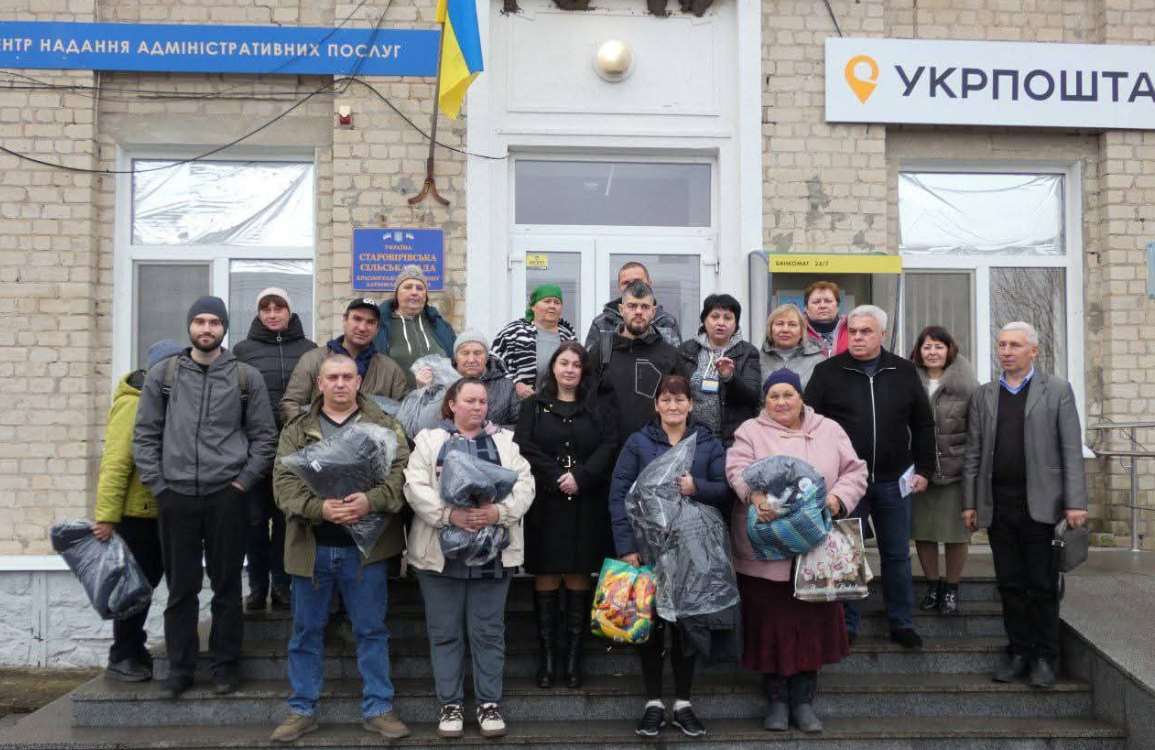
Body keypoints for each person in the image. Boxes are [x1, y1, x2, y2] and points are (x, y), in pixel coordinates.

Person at [133, 296, 278, 699]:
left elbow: (264, 437)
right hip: (176, 495)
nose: (207, 328)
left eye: (214, 322)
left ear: (224, 328)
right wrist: (159, 486)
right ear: (190, 327)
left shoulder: (245, 377)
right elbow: (144, 435)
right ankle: (179, 669)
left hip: (226, 495)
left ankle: (225, 666)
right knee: (181, 589)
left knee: (227, 586)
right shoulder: (164, 375)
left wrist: (241, 483)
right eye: (200, 321)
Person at [269, 355, 411, 743]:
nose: (340, 383)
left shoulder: (384, 425)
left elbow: (402, 473)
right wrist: (320, 508)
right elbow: (283, 483)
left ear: (359, 381)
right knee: (305, 632)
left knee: (371, 630)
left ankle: (379, 708)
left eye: (348, 376)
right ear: (319, 383)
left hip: (366, 552)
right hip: (312, 546)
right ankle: (302, 709)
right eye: (332, 377)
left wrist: (371, 501)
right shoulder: (298, 428)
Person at [726, 368, 867, 733]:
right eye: (774, 396)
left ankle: (803, 700)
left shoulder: (829, 430)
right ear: (765, 401)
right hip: (766, 545)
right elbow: (736, 469)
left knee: (812, 626)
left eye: (788, 394)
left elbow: (856, 471)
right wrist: (756, 496)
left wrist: (836, 499)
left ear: (801, 397)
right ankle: (775, 700)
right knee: (769, 625)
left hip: (815, 548)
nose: (781, 402)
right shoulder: (750, 431)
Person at [403, 379, 535, 739]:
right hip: (440, 557)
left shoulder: (505, 442)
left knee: (488, 633)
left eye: (482, 401)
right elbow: (415, 486)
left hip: (493, 556)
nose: (478, 407)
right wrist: (450, 516)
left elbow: (525, 485)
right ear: (452, 404)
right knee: (445, 633)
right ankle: (451, 704)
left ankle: (489, 703)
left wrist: (498, 513)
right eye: (470, 400)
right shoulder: (429, 441)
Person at [963, 322, 1088, 689]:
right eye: (1002, 344)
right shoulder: (985, 395)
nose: (1006, 351)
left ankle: (1045, 658)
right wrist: (970, 503)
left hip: (1043, 507)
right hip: (999, 505)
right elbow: (973, 453)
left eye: (1015, 345)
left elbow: (1071, 450)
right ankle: (1018, 652)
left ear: (1033, 350)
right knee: (1010, 584)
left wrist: (1075, 502)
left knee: (1042, 585)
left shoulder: (1057, 390)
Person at [804, 305, 934, 649]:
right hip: (847, 483)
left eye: (866, 331)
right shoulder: (828, 372)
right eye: (854, 331)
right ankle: (847, 625)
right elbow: (809, 425)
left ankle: (901, 622)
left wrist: (924, 469)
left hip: (895, 480)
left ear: (882, 335)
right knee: (847, 553)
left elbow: (922, 423)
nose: (858, 337)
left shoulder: (904, 371)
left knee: (897, 555)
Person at [608, 375, 729, 739]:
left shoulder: (707, 443)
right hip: (647, 550)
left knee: (687, 625)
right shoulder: (639, 442)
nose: (673, 406)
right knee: (649, 626)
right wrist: (626, 547)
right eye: (666, 399)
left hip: (693, 551)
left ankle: (683, 703)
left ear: (691, 404)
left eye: (679, 400)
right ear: (656, 405)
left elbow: (726, 490)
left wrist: (697, 487)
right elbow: (619, 495)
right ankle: (653, 703)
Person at [514, 342, 619, 690]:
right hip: (546, 502)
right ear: (553, 368)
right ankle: (547, 660)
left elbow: (609, 445)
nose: (570, 369)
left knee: (578, 572)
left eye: (576, 364)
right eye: (564, 363)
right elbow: (524, 446)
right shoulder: (533, 405)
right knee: (546, 572)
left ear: (583, 371)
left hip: (587, 502)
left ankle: (574, 660)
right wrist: (557, 475)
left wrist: (582, 477)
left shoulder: (598, 407)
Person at [90, 339, 182, 682]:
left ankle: (135, 649)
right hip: (135, 515)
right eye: (168, 368)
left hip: (161, 511)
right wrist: (106, 517)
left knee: (148, 583)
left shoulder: (169, 401)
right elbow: (115, 463)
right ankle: (123, 655)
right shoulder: (133, 404)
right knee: (134, 587)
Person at [233, 287, 317, 612]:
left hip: (295, 450)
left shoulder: (308, 350)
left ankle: (282, 586)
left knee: (287, 521)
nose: (272, 314)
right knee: (253, 521)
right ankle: (257, 588)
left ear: (289, 311)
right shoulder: (243, 351)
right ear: (258, 313)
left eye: (278, 308)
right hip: (254, 450)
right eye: (265, 308)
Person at [909, 326, 978, 616]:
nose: (933, 352)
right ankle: (933, 585)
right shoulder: (909, 379)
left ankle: (951, 588)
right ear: (919, 351)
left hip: (955, 470)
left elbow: (976, 428)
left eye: (939, 346)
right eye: (927, 347)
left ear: (949, 349)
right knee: (923, 532)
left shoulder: (967, 383)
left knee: (955, 534)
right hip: (919, 472)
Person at [586, 280, 688, 441]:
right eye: (632, 306)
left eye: (645, 307)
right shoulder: (602, 350)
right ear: (621, 309)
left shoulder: (669, 355)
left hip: (655, 448)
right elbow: (585, 401)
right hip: (607, 450)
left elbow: (682, 405)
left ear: (653, 312)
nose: (639, 312)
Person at [281, 298, 408, 421]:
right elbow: (290, 405)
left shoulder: (391, 370)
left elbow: (405, 416)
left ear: (377, 329)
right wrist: (313, 430)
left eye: (370, 322)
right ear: (345, 320)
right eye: (357, 319)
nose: (362, 327)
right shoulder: (312, 360)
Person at [677, 294, 760, 447]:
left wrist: (730, 378)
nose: (721, 323)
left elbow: (753, 397)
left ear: (736, 324)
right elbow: (676, 392)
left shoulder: (748, 352)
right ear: (704, 320)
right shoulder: (686, 350)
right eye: (714, 317)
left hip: (732, 439)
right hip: (691, 437)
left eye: (728, 318)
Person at [372, 264, 456, 387]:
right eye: (408, 287)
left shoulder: (440, 325)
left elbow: (455, 361)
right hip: (395, 398)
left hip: (440, 397)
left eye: (420, 288)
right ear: (396, 294)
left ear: (425, 296)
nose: (414, 292)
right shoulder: (380, 325)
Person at [417, 329, 519, 429]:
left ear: (487, 357)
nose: (471, 360)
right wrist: (422, 389)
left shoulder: (506, 387)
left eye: (477, 353)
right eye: (465, 353)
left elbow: (520, 427)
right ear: (456, 357)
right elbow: (421, 423)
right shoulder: (440, 381)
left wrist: (493, 430)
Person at [490, 285, 577, 398]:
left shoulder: (569, 337)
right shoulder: (514, 332)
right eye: (547, 301)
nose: (552, 306)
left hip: (557, 403)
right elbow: (493, 363)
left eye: (557, 302)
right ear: (533, 306)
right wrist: (514, 384)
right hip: (519, 403)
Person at [585, 261, 682, 354]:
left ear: (649, 283)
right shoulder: (602, 323)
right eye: (626, 283)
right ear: (619, 287)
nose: (632, 286)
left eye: (637, 281)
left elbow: (677, 360)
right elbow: (590, 361)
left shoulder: (666, 321)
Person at [759, 303, 824, 389]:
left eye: (792, 324)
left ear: (801, 331)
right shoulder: (757, 359)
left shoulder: (818, 361)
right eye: (780, 324)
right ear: (770, 329)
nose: (785, 329)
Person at [802, 280, 848, 358]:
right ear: (806, 308)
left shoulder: (852, 330)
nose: (822, 306)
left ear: (837, 306)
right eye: (816, 302)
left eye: (828, 301)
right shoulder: (798, 333)